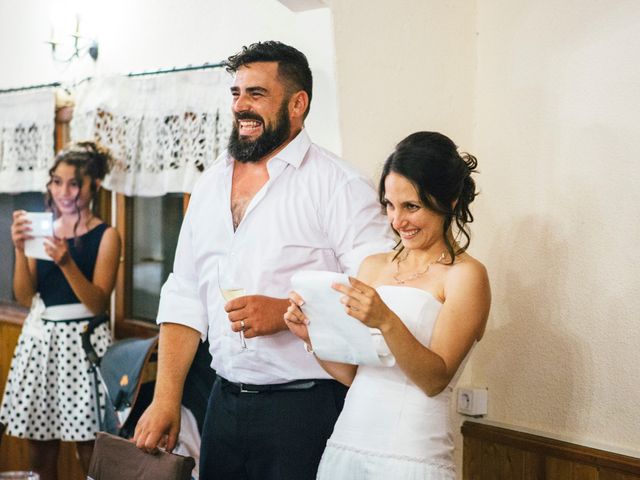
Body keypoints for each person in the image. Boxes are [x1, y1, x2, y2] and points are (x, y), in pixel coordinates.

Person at [133, 41, 394, 480]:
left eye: (256, 94)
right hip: (221, 403)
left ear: (298, 103)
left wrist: (289, 312)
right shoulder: (209, 185)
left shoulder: (340, 185)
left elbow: (377, 289)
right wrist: (165, 399)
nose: (241, 106)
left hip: (305, 409)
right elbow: (184, 293)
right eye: (236, 93)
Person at [284, 131, 492, 479]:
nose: (397, 221)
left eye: (412, 206)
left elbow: (435, 379)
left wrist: (386, 320)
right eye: (390, 206)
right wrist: (312, 336)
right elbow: (354, 374)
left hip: (411, 452)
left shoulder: (466, 275)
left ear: (450, 200)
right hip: (348, 442)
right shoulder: (373, 266)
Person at [0, 142, 121, 480]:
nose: (63, 192)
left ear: (94, 185)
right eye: (56, 181)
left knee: (90, 452)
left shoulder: (106, 235)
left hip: (84, 346)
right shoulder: (42, 229)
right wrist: (21, 250)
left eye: (73, 183)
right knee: (41, 453)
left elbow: (98, 302)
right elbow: (25, 296)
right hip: (42, 343)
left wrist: (66, 262)